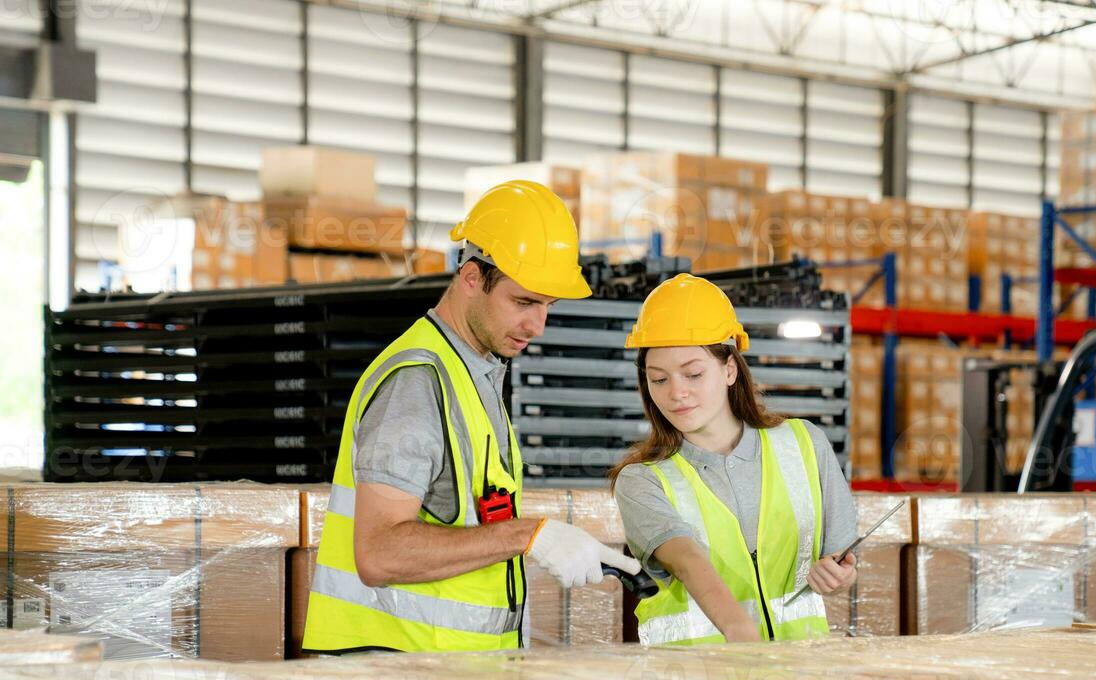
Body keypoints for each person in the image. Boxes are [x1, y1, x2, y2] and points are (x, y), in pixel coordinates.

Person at [303, 180, 640, 653]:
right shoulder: (418, 381)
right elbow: (378, 554)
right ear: (471, 278)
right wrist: (530, 536)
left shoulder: (476, 373)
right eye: (523, 302)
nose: (537, 325)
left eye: (548, 305)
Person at [610, 273, 858, 645]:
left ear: (729, 369)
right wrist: (742, 634)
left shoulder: (805, 444)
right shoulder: (642, 481)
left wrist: (838, 575)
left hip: (799, 677)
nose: (677, 392)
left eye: (693, 373)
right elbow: (686, 560)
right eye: (658, 379)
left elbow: (841, 561)